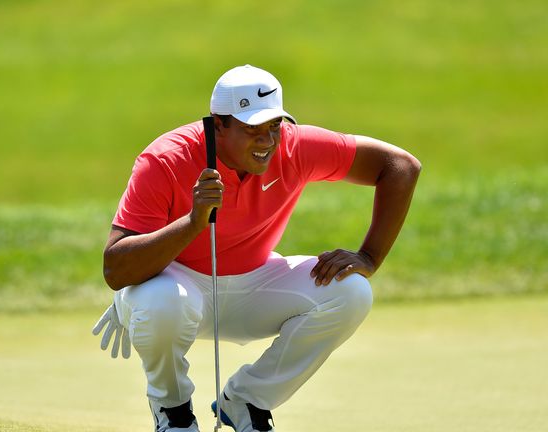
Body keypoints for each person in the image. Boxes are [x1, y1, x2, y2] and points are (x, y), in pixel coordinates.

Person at [92, 64, 421, 432]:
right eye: (252, 129)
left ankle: (247, 401)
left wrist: (369, 256)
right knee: (161, 301)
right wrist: (193, 222)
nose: (267, 141)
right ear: (219, 124)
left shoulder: (294, 146)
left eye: (274, 126)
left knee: (352, 291)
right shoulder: (167, 159)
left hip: (253, 285)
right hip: (178, 287)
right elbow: (115, 269)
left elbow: (400, 166)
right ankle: (173, 412)